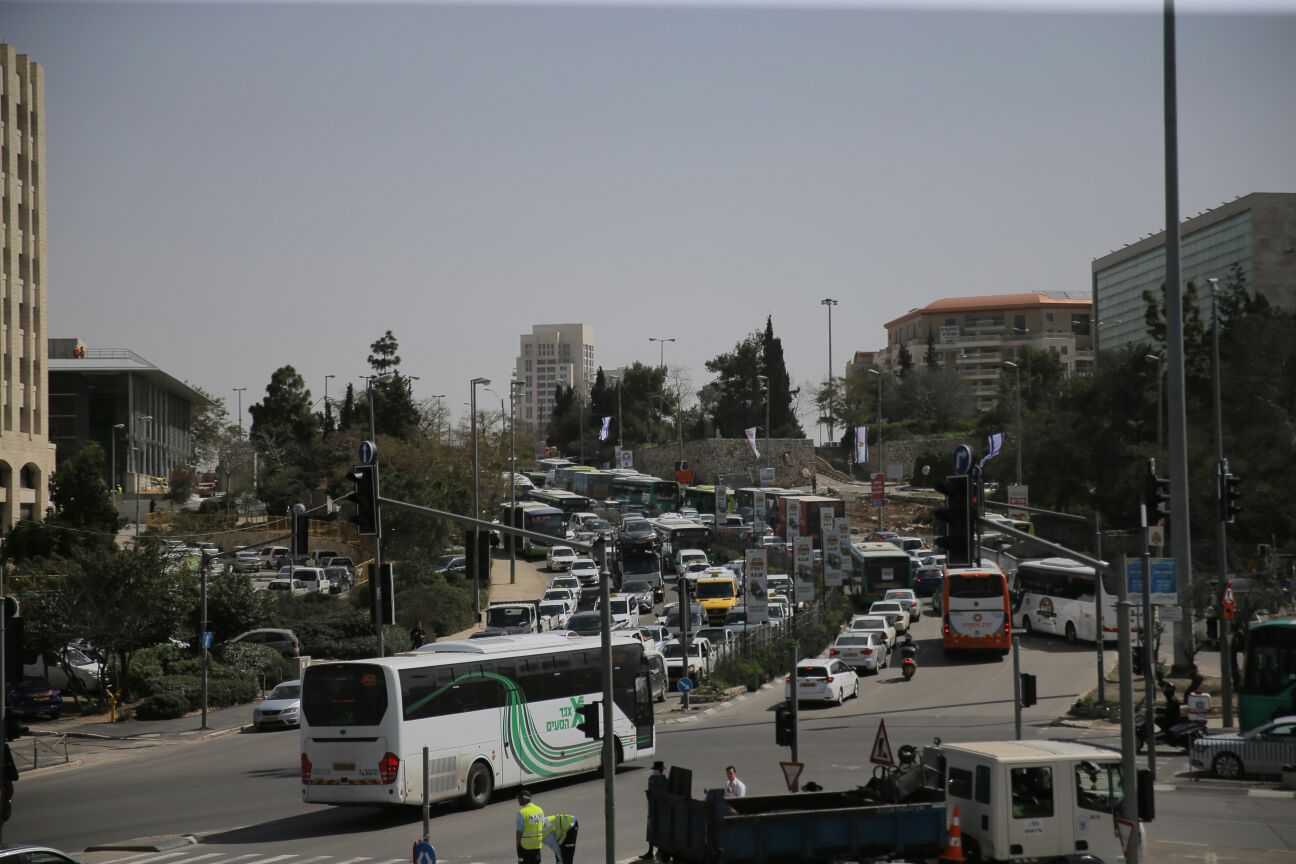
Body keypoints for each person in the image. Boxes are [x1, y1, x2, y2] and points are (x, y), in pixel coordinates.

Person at [639, 760, 667, 860]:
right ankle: (651, 852)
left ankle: (653, 852)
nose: (654, 771)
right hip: (655, 809)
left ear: (659, 770)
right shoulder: (662, 781)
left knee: (655, 831)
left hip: (658, 810)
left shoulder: (658, 780)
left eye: (655, 770)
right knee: (652, 830)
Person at [516, 789, 546, 864]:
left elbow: (519, 832)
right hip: (537, 845)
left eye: (519, 798)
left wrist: (518, 846)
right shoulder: (540, 810)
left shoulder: (522, 813)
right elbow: (546, 825)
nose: (518, 800)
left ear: (524, 799)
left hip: (526, 847)